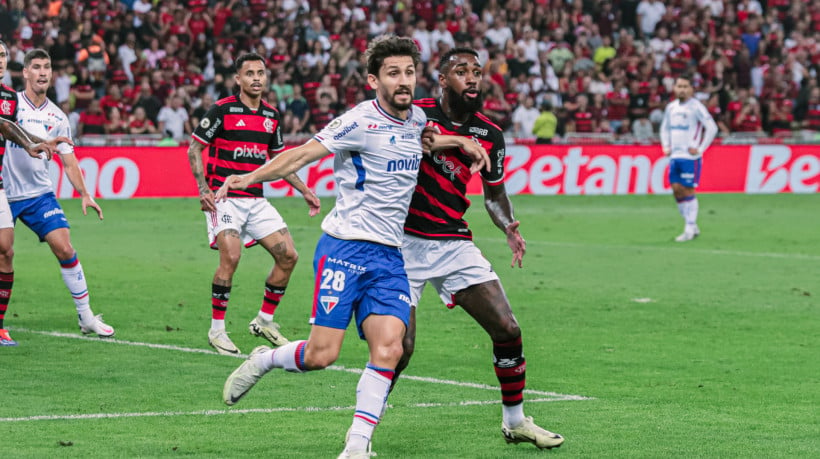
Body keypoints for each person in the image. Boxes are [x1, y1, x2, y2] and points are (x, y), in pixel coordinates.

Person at [218, 36, 489, 458]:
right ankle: (265, 359)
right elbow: (301, 154)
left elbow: (429, 139)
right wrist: (249, 179)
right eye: (393, 73)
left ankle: (356, 447)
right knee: (322, 354)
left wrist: (463, 142)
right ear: (373, 80)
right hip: (344, 249)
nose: (404, 81)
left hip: (389, 256)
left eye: (409, 73)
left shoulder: (417, 119)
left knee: (391, 348)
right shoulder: (359, 121)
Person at [392, 47, 565, 450]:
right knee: (399, 349)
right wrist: (457, 142)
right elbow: (422, 141)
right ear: (442, 79)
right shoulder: (414, 113)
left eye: (477, 72)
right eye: (461, 72)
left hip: (453, 242)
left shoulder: (490, 133)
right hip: (401, 243)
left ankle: (516, 421)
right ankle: (364, 427)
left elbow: (494, 194)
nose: (472, 79)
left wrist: (508, 226)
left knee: (507, 329)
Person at [187, 52, 321, 356]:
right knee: (231, 258)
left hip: (256, 199)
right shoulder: (221, 111)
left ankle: (264, 320)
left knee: (289, 256)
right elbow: (194, 148)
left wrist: (304, 190)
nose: (256, 78)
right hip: (225, 200)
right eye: (250, 74)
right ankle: (217, 330)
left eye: (261, 73)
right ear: (238, 79)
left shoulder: (271, 116)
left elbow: (279, 161)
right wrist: (203, 188)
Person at [1, 48, 113, 342]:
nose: (42, 72)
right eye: (35, 67)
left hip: (38, 194)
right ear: (24, 72)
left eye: (46, 67)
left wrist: (85, 193)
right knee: (5, 254)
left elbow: (69, 159)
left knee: (65, 248)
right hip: (4, 191)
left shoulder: (58, 116)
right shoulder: (10, 103)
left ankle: (86, 316)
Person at [0, 42, 74, 346]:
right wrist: (32, 144)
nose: (0, 60)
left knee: (5, 249)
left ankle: (0, 325)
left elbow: (8, 127)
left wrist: (36, 142)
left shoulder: (6, 96)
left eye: (3, 55)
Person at [660, 74, 718, 242]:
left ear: (692, 89)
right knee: (676, 190)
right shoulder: (671, 107)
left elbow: (712, 128)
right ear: (674, 88)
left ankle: (689, 228)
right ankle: (692, 225)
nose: (682, 90)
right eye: (679, 86)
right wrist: (665, 145)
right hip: (675, 155)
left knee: (688, 189)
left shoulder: (696, 107)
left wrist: (700, 149)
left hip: (690, 157)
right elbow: (664, 128)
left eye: (686, 87)